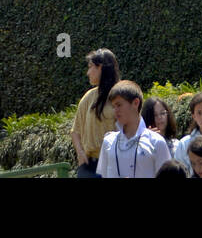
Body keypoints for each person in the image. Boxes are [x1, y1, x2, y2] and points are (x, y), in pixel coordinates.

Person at [97, 81, 171, 178]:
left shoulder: (156, 142)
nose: (115, 110)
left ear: (135, 103)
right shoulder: (108, 141)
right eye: (113, 106)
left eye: (119, 105)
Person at [71, 48, 120, 178]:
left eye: (90, 67)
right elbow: (75, 131)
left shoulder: (121, 95)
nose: (88, 73)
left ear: (101, 67)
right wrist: (80, 153)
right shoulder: (88, 97)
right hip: (89, 167)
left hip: (115, 164)